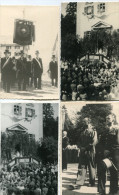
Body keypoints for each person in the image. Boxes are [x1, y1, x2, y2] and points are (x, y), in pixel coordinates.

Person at [97, 114, 119, 195]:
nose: (107, 120)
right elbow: (101, 143)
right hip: (105, 155)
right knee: (101, 169)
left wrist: (109, 150)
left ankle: (113, 192)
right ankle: (101, 191)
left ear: (113, 119)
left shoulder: (117, 129)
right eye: (106, 118)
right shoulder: (105, 130)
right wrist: (102, 150)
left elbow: (117, 143)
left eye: (109, 118)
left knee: (114, 173)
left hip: (115, 154)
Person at [77, 118, 97, 187]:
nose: (83, 122)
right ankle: (80, 181)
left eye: (84, 121)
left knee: (91, 167)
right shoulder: (82, 132)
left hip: (90, 151)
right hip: (82, 151)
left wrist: (85, 148)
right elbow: (78, 141)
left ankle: (92, 182)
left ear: (89, 122)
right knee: (82, 166)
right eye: (83, 121)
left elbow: (94, 142)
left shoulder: (93, 131)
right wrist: (80, 147)